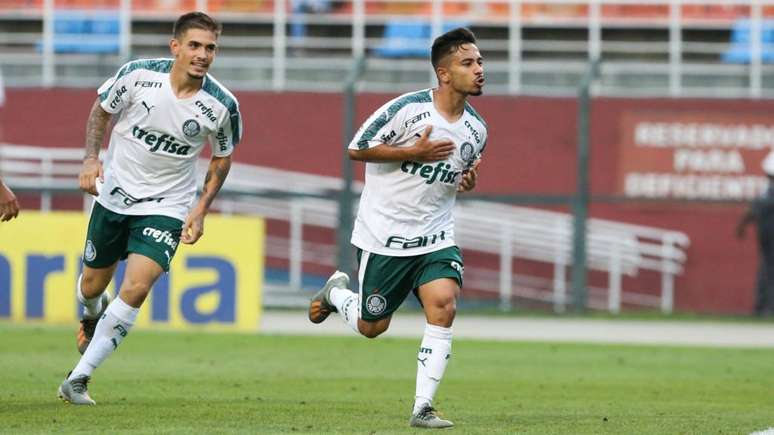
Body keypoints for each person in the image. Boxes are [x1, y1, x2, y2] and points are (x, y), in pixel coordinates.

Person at [57, 11, 242, 405]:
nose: (203, 55)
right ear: (175, 46)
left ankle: (78, 379)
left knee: (137, 288)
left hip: (167, 206)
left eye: (210, 48)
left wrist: (200, 208)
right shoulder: (138, 75)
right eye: (194, 45)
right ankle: (91, 314)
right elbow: (101, 110)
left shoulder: (223, 105)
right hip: (115, 197)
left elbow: (221, 157)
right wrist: (91, 160)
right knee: (92, 286)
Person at [308, 27, 487, 429]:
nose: (479, 69)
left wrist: (467, 180)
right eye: (468, 63)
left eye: (479, 62)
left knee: (443, 305)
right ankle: (337, 293)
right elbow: (357, 148)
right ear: (443, 73)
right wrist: (415, 151)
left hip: (436, 236)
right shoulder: (408, 110)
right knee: (372, 326)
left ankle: (423, 407)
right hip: (384, 236)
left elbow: (461, 171)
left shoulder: (477, 130)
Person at [737, 152, 774, 317]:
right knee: (766, 271)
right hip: (767, 241)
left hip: (768, 240)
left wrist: (742, 225)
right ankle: (763, 308)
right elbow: (753, 210)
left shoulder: (767, 195)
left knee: (767, 272)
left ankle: (765, 308)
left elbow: (753, 210)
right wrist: (742, 225)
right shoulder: (766, 193)